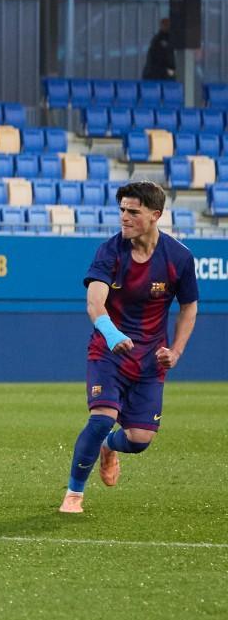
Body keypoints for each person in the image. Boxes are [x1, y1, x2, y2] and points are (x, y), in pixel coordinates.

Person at [60, 181, 198, 514]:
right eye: (122, 209)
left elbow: (189, 307)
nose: (124, 217)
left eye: (133, 211)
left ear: (155, 215)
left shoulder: (179, 258)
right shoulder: (110, 251)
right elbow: (95, 302)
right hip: (109, 352)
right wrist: (111, 334)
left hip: (151, 361)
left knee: (139, 440)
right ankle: (74, 495)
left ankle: (110, 449)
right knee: (101, 419)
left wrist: (175, 352)